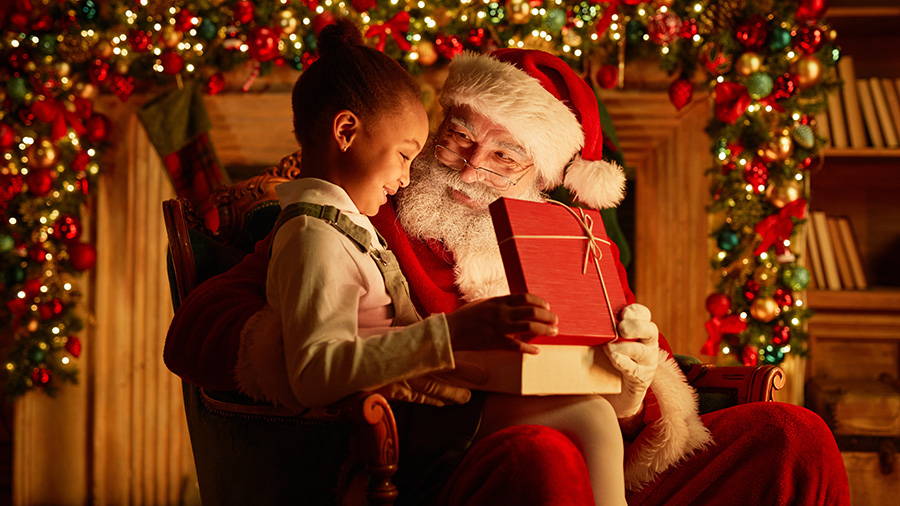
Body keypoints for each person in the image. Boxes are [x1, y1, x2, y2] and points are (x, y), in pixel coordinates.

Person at [165, 44, 851, 506]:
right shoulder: (366, 213)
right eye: (459, 137)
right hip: (464, 465)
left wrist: (637, 379)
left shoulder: (575, 239)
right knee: (544, 456)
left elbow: (633, 408)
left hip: (611, 460)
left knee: (795, 437)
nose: (466, 168)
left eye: (503, 157)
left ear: (544, 179)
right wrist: (363, 357)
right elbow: (200, 326)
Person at [234, 20, 630, 506]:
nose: (406, 178)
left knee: (593, 415)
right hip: (393, 433)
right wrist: (452, 336)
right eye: (455, 138)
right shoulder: (317, 233)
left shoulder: (347, 224)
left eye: (504, 156)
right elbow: (315, 369)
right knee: (589, 420)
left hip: (438, 408)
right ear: (345, 133)